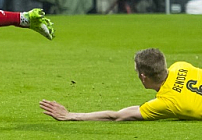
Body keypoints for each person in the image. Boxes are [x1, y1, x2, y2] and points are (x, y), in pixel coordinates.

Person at [41, 49, 202, 122]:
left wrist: (71, 115)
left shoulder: (167, 103)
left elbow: (118, 116)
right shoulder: (181, 66)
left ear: (143, 77)